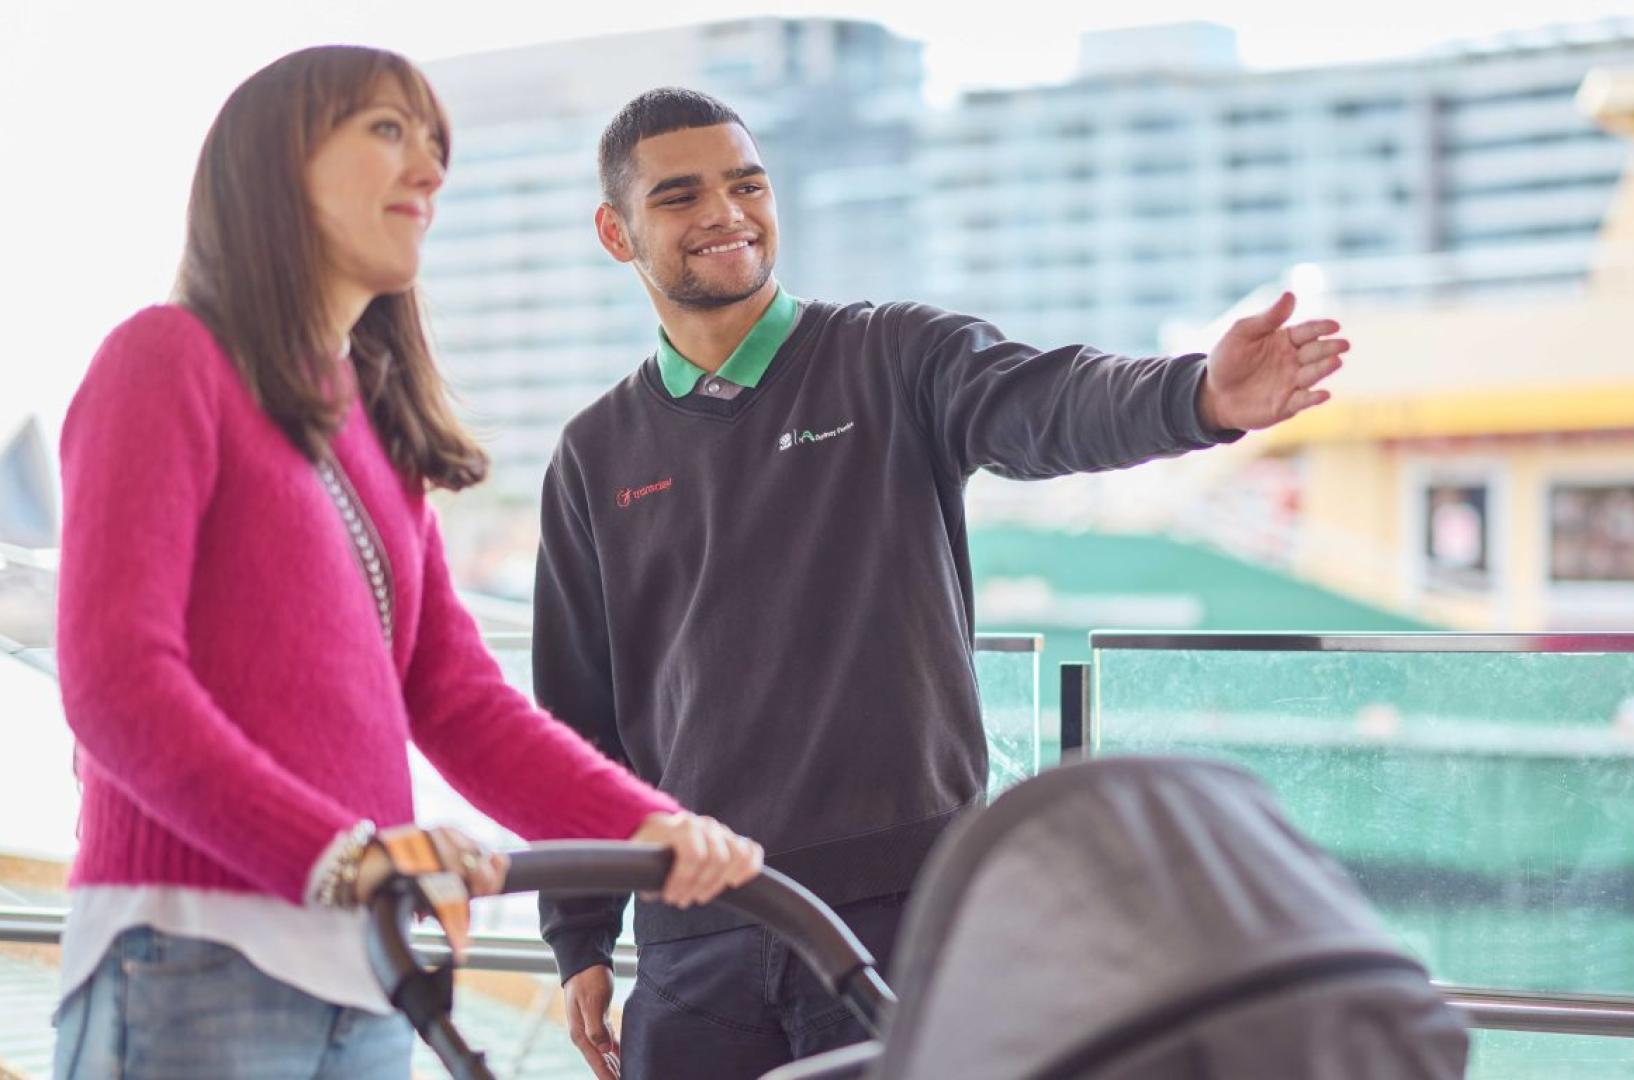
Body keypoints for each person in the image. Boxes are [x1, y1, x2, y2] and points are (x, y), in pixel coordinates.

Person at [536, 87, 1350, 1079]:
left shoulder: (890, 356)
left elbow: (1052, 401)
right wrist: (579, 936)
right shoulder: (592, 454)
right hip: (694, 932)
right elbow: (576, 717)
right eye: (680, 197)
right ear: (616, 234)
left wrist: (1199, 396)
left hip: (901, 914)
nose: (727, 213)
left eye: (747, 184)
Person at [52, 48, 762, 1080]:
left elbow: (460, 701)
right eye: (389, 132)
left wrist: (653, 827)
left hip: (362, 974)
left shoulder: (376, 435)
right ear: (274, 168)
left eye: (436, 145)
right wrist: (341, 853)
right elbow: (114, 683)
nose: (430, 170)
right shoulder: (165, 360)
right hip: (188, 958)